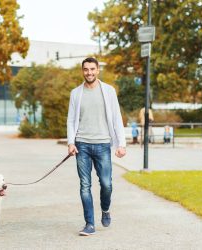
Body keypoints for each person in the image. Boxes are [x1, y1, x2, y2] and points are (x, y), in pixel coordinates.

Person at [67, 57, 126, 236]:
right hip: (82, 145)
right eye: (86, 69)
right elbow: (70, 119)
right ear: (82, 71)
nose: (89, 72)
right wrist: (71, 142)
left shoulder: (108, 91)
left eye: (92, 69)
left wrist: (121, 144)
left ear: (98, 70)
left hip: (103, 144)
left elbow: (116, 117)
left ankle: (105, 209)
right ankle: (89, 224)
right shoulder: (76, 93)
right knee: (85, 185)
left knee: (106, 184)